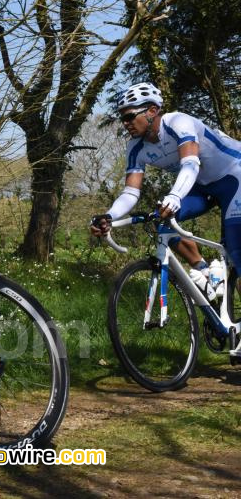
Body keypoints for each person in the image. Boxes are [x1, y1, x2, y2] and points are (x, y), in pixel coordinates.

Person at [90, 82, 241, 358]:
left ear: (151, 111)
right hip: (201, 186)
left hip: (234, 176)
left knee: (236, 247)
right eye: (121, 117)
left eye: (129, 116)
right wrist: (109, 216)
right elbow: (130, 192)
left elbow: (191, 164)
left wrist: (174, 195)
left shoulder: (179, 122)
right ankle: (204, 271)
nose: (125, 123)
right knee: (164, 225)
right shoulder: (135, 147)